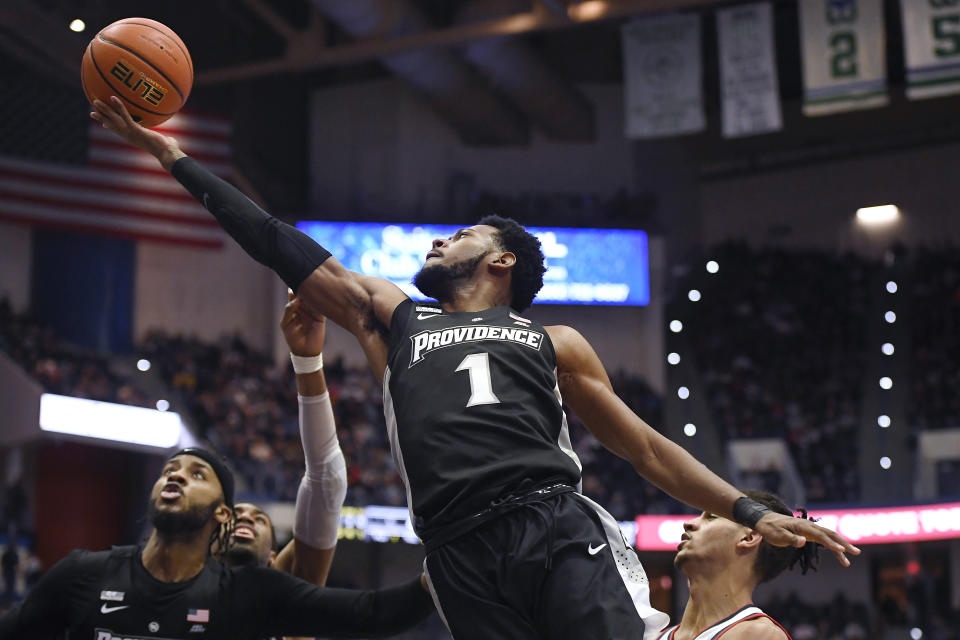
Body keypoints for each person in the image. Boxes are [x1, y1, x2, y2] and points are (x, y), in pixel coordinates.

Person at [90, 97, 860, 640]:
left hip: (550, 526)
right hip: (455, 548)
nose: (435, 243)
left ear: (500, 260)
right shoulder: (393, 317)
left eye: (456, 234)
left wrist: (753, 511)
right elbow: (272, 239)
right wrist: (172, 155)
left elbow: (647, 450)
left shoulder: (554, 339)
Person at [0, 448, 434, 639]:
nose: (175, 476)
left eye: (196, 474)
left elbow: (372, 614)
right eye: (170, 469)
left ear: (221, 513)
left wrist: (443, 574)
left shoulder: (249, 594)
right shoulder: (82, 574)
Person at [218, 292, 345, 592]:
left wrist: (307, 361)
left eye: (259, 519)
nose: (246, 516)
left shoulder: (290, 601)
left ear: (274, 559)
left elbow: (328, 479)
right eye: (235, 516)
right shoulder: (176, 598)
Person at [658, 490, 820, 640]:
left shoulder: (760, 635)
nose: (689, 523)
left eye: (711, 517)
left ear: (748, 537)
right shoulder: (654, 637)